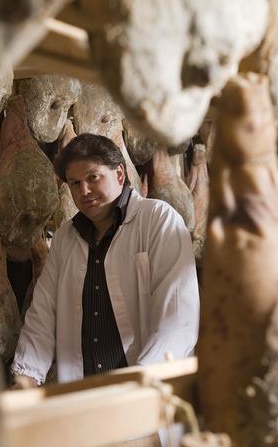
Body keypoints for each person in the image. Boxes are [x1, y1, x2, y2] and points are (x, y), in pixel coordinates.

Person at [11, 133, 199, 386]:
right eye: (75, 183)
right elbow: (43, 314)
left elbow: (178, 316)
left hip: (145, 388)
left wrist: (141, 380)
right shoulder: (66, 236)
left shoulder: (158, 220)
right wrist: (26, 377)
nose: (84, 191)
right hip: (85, 393)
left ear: (119, 174)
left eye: (93, 177)